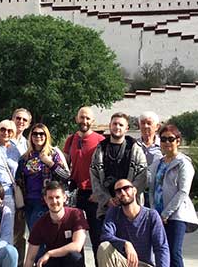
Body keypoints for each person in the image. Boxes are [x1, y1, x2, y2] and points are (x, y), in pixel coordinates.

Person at [148, 125, 198, 267]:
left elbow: (183, 191)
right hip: (158, 215)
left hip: (176, 216)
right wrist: (154, 211)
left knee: (174, 252)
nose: (166, 142)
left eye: (171, 139)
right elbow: (152, 190)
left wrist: (165, 214)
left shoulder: (183, 163)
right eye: (163, 139)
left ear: (178, 141)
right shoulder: (158, 163)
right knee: (161, 251)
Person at [63, 106, 105, 262]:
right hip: (76, 193)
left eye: (87, 118)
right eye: (82, 117)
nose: (84, 121)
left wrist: (100, 191)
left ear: (92, 120)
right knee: (76, 237)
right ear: (76, 119)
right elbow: (64, 165)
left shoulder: (101, 141)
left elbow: (105, 169)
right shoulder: (71, 140)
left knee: (97, 237)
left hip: (94, 193)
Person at [99, 178, 169, 267]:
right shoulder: (113, 213)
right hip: (123, 263)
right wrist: (125, 244)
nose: (123, 193)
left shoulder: (151, 215)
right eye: (118, 191)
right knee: (104, 247)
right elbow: (106, 236)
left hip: (143, 264)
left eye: (126, 188)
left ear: (134, 190)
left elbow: (161, 247)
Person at [91, 113, 148, 220]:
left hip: (132, 208)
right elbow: (94, 178)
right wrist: (107, 199)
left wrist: (126, 195)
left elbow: (142, 176)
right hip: (108, 208)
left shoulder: (135, 149)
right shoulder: (100, 150)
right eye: (115, 124)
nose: (117, 127)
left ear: (127, 128)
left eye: (121, 125)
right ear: (110, 126)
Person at [16, 123, 70, 231]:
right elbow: (19, 179)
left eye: (42, 134)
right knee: (34, 233)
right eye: (35, 134)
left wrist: (50, 163)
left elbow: (65, 175)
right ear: (31, 136)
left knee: (37, 233)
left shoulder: (53, 154)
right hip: (28, 201)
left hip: (44, 201)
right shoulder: (25, 157)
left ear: (46, 136)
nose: (38, 136)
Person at [24, 181, 88, 267]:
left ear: (64, 198)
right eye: (50, 198)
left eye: (57, 197)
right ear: (45, 199)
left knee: (74, 256)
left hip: (71, 262)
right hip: (52, 263)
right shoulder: (40, 223)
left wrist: (49, 253)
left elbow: (77, 245)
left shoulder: (76, 214)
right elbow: (30, 258)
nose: (54, 201)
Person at [0, 120, 20, 230]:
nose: (6, 132)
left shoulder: (16, 149)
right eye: (3, 129)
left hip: (9, 192)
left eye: (10, 131)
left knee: (8, 225)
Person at [11, 108, 32, 267]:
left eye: (24, 120)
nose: (21, 122)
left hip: (20, 194)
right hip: (1, 194)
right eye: (18, 118)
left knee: (19, 233)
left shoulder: (28, 145)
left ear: (28, 124)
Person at [135, 111, 163, 208]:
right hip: (138, 191)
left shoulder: (164, 145)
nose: (146, 126)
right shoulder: (134, 146)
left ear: (157, 127)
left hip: (158, 190)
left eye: (149, 123)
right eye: (143, 123)